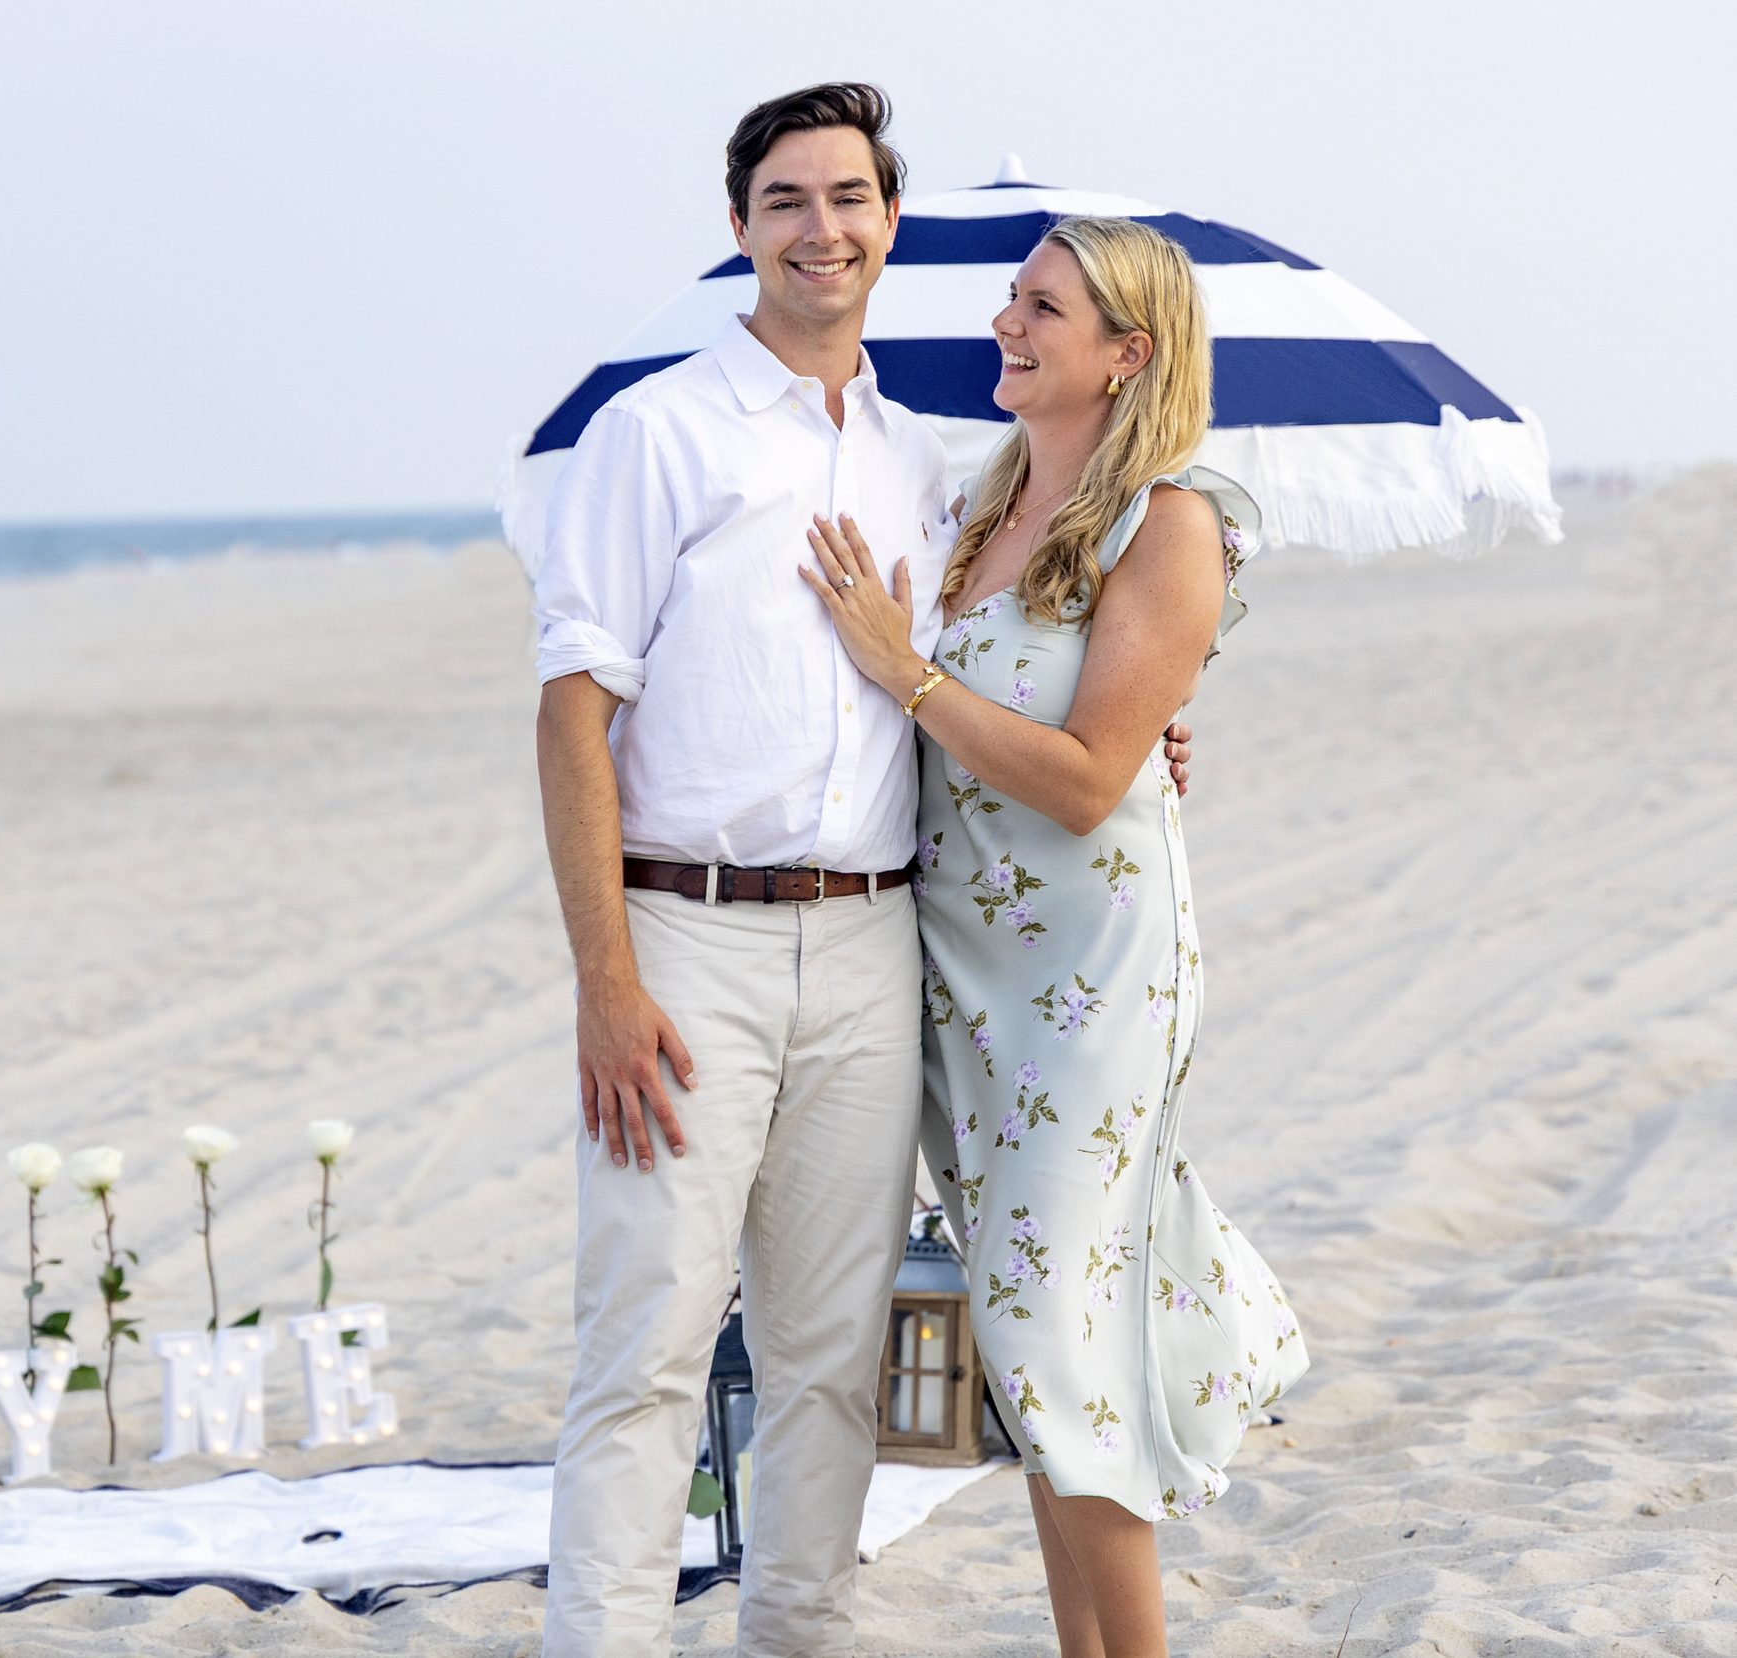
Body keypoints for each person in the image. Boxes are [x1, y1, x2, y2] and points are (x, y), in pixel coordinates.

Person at [530, 85, 1197, 1657]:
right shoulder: (659, 433)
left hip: (879, 946)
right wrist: (604, 983)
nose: (819, 228)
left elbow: (1031, 676)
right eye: (784, 200)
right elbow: (571, 714)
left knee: (833, 1354)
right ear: (743, 229)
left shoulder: (936, 471)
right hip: (682, 940)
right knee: (648, 1343)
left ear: (888, 224)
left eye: (847, 198)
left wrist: (1159, 741)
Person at [796, 215, 1310, 1658]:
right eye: (1012, 298)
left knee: (1051, 1332)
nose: (1007, 323)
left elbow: (1087, 778)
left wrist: (907, 676)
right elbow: (1043, 730)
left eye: (1045, 308)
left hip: (1090, 981)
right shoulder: (983, 499)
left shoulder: (1175, 518)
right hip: (961, 974)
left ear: (1126, 354)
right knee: (1036, 1350)